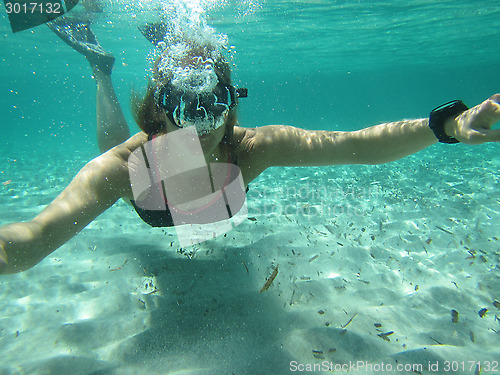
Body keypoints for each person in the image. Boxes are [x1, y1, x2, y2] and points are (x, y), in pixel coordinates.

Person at [0, 18, 499, 275]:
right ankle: (100, 71)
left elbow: (355, 145)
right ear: (160, 108)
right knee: (109, 143)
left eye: (211, 105)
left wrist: (446, 126)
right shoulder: (124, 167)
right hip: (145, 191)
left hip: (182, 198)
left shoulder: (253, 148)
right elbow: (32, 238)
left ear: (230, 103)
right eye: (183, 106)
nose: (198, 125)